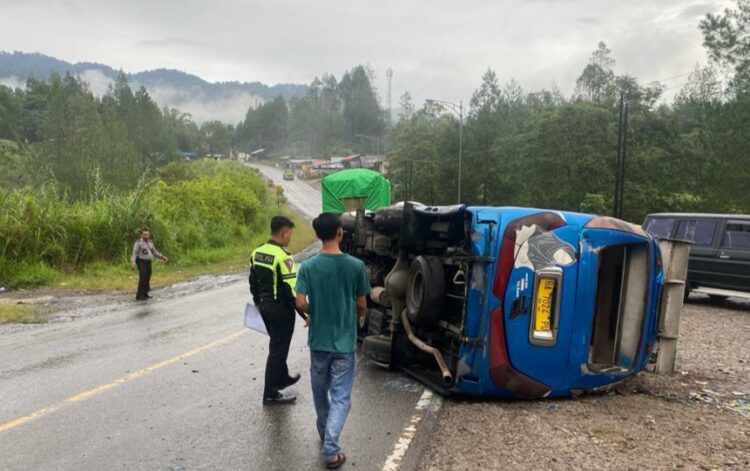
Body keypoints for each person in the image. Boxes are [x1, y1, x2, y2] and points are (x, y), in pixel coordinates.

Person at [295, 213, 370, 469]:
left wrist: (313, 314)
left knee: (320, 392)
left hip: (318, 343)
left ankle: (325, 431)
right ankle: (330, 448)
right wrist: (353, 317)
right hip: (344, 344)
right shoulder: (356, 266)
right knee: (341, 397)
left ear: (318, 234)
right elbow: (362, 304)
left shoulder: (307, 267)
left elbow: (300, 302)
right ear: (340, 232)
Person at [249, 215, 305, 405]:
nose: (290, 237)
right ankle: (270, 393)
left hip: (265, 307)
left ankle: (282, 378)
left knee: (277, 346)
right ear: (284, 232)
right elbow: (291, 291)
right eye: (290, 233)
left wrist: (258, 303)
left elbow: (253, 282)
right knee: (277, 351)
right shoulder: (284, 257)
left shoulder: (256, 253)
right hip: (281, 310)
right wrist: (305, 313)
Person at [130, 229, 168, 301]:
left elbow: (154, 252)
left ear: (149, 235)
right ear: (141, 235)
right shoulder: (138, 243)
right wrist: (133, 263)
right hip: (141, 262)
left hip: (148, 262)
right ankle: (139, 295)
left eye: (147, 234)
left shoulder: (150, 242)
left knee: (147, 277)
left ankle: (145, 293)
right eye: (144, 234)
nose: (146, 236)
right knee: (143, 277)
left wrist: (162, 257)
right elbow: (134, 253)